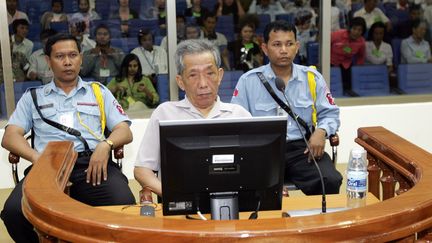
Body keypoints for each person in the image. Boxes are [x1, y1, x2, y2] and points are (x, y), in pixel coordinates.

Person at [0, 33, 135, 243]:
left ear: (81, 58)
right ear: (48, 61)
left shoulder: (98, 92)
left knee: (125, 204)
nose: (67, 62)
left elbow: (124, 131)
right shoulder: (33, 96)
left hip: (92, 164)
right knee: (13, 213)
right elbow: (10, 136)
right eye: (60, 56)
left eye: (73, 55)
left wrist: (106, 145)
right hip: (48, 167)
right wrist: (37, 158)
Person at [231, 20, 342, 196]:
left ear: (297, 47)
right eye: (277, 44)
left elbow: (331, 113)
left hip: (303, 148)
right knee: (258, 189)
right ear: (265, 48)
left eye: (289, 44)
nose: (284, 50)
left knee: (329, 180)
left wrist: (321, 131)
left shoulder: (312, 78)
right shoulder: (248, 81)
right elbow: (235, 123)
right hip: (263, 151)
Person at [134, 39, 251, 198]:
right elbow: (142, 170)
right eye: (193, 75)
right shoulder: (164, 114)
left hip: (232, 202)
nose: (203, 84)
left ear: (220, 75)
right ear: (181, 82)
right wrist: (172, 195)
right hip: (179, 206)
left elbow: (254, 168)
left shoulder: (239, 115)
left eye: (210, 73)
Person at [331, 16, 366, 97]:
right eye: (354, 29)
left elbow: (361, 57)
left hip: (346, 65)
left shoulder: (361, 42)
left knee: (349, 84)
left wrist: (358, 70)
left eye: (359, 30)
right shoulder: (337, 35)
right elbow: (325, 44)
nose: (356, 32)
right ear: (350, 28)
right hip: (331, 63)